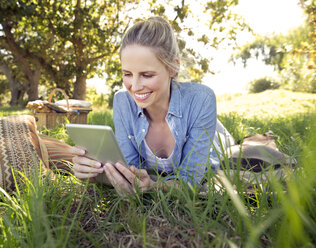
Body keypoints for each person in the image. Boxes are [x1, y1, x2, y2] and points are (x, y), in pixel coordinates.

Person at [72, 16, 235, 195]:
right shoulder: (123, 101)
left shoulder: (202, 99)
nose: (134, 86)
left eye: (147, 75)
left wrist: (153, 186)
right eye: (127, 74)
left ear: (172, 68)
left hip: (215, 143)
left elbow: (191, 181)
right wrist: (95, 172)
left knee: (238, 148)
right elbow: (131, 172)